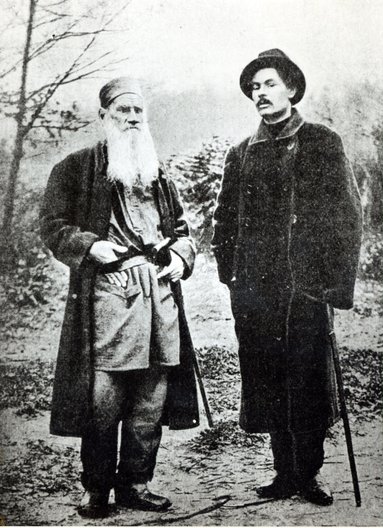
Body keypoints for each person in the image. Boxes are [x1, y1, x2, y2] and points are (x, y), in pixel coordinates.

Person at [40, 77, 199, 518]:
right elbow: (53, 225)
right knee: (105, 397)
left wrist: (180, 256)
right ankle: (96, 488)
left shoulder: (157, 173)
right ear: (104, 116)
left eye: (137, 111)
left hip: (160, 296)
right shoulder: (76, 168)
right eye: (122, 111)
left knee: (152, 396)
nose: (131, 118)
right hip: (110, 295)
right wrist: (91, 246)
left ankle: (136, 483)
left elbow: (182, 229)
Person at [212, 49, 362, 506]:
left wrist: (336, 284)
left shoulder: (321, 142)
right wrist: (231, 276)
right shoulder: (242, 153)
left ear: (292, 89)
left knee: (308, 380)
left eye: (269, 84)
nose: (260, 93)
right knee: (269, 379)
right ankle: (283, 473)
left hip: (307, 289)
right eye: (254, 87)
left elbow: (348, 214)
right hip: (257, 292)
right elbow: (224, 220)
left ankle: (308, 474)